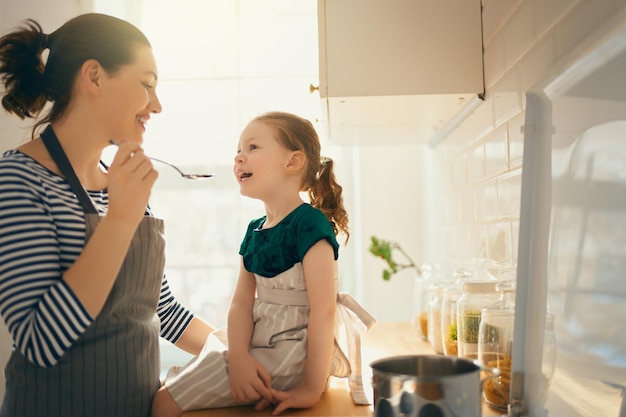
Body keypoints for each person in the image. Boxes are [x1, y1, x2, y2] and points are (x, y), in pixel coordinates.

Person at [0, 13, 214, 417]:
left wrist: (237, 350)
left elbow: (159, 311)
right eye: (146, 84)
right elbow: (40, 340)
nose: (157, 105)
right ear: (94, 77)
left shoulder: (119, 184)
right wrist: (119, 220)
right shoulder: (16, 179)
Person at [151, 111, 375, 417]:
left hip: (291, 353)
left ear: (293, 162)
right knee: (175, 382)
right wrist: (240, 358)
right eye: (238, 150)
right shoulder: (255, 229)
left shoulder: (309, 225)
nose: (239, 157)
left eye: (252, 148)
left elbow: (322, 312)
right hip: (263, 343)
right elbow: (241, 304)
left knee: (162, 403)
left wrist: (311, 388)